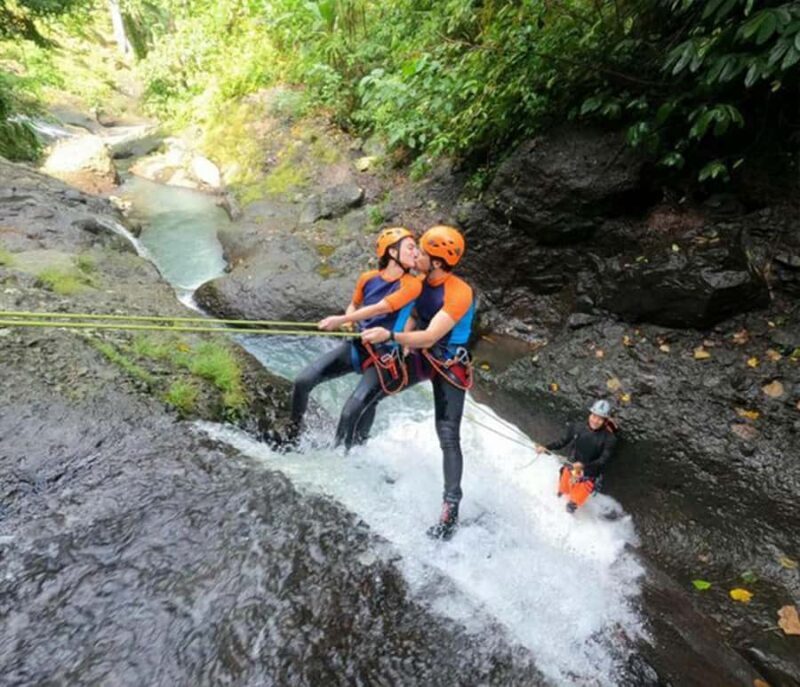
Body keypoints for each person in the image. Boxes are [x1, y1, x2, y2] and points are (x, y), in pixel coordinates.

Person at [362, 225, 475, 540]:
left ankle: (450, 510)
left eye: (423, 252)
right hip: (423, 356)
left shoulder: (459, 292)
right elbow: (415, 316)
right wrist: (402, 340)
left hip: (449, 364)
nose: (417, 255)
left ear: (437, 262)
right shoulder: (421, 282)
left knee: (448, 435)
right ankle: (357, 452)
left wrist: (393, 336)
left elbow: (430, 334)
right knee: (378, 389)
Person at [290, 227, 421, 449]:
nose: (416, 252)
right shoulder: (367, 278)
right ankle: (293, 434)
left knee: (352, 410)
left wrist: (341, 320)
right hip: (358, 346)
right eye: (410, 247)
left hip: (385, 357)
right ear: (391, 252)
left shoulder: (412, 285)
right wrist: (349, 319)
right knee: (302, 381)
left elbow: (381, 308)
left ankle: (341, 458)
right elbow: (355, 304)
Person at [536, 399, 618, 513]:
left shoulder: (609, 439)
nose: (596, 421)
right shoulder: (577, 427)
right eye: (594, 416)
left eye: (600, 418)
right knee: (562, 491)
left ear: (605, 420)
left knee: (572, 504)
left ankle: (570, 512)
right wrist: (546, 447)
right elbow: (562, 441)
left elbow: (603, 460)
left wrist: (583, 466)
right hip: (571, 466)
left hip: (588, 475)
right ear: (590, 414)